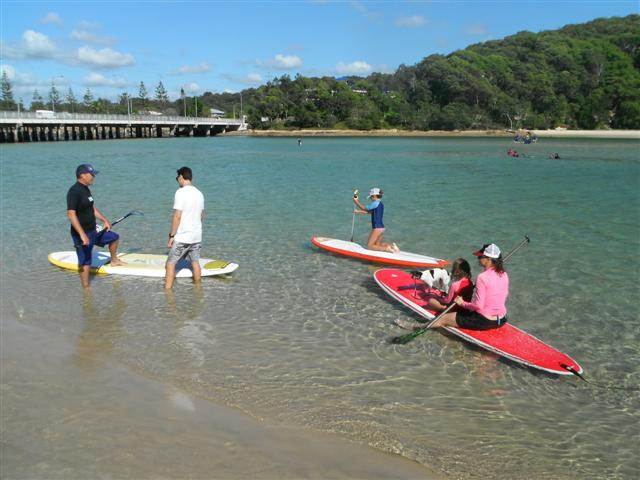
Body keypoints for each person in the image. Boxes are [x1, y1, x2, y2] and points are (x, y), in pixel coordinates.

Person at [66, 163, 125, 288]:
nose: (94, 177)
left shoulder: (86, 189)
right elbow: (71, 214)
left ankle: (114, 260)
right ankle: (86, 289)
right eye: (91, 174)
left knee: (114, 237)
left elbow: (91, 207)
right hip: (82, 233)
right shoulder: (74, 191)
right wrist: (82, 235)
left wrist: (104, 220)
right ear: (82, 175)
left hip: (93, 230)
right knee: (85, 261)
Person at [430, 243, 509, 330]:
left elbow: (478, 306)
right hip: (502, 319)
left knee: (441, 319)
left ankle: (419, 328)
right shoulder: (504, 274)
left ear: (489, 259)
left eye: (480, 256)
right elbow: (503, 295)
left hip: (485, 320)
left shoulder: (482, 277)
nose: (478, 259)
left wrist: (462, 303)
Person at [165, 166, 205, 289]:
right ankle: (198, 290)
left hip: (183, 237)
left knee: (170, 264)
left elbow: (177, 216)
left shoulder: (180, 192)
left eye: (177, 177)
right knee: (195, 263)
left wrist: (172, 235)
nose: (177, 180)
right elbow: (202, 215)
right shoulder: (199, 193)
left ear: (181, 177)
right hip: (197, 236)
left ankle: (167, 292)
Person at [353, 187, 399, 253]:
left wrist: (356, 201)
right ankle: (392, 246)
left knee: (369, 246)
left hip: (377, 227)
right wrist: (358, 212)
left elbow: (364, 208)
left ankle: (387, 248)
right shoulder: (380, 204)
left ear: (374, 196)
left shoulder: (375, 203)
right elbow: (371, 212)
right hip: (382, 227)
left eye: (371, 197)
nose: (370, 199)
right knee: (377, 244)